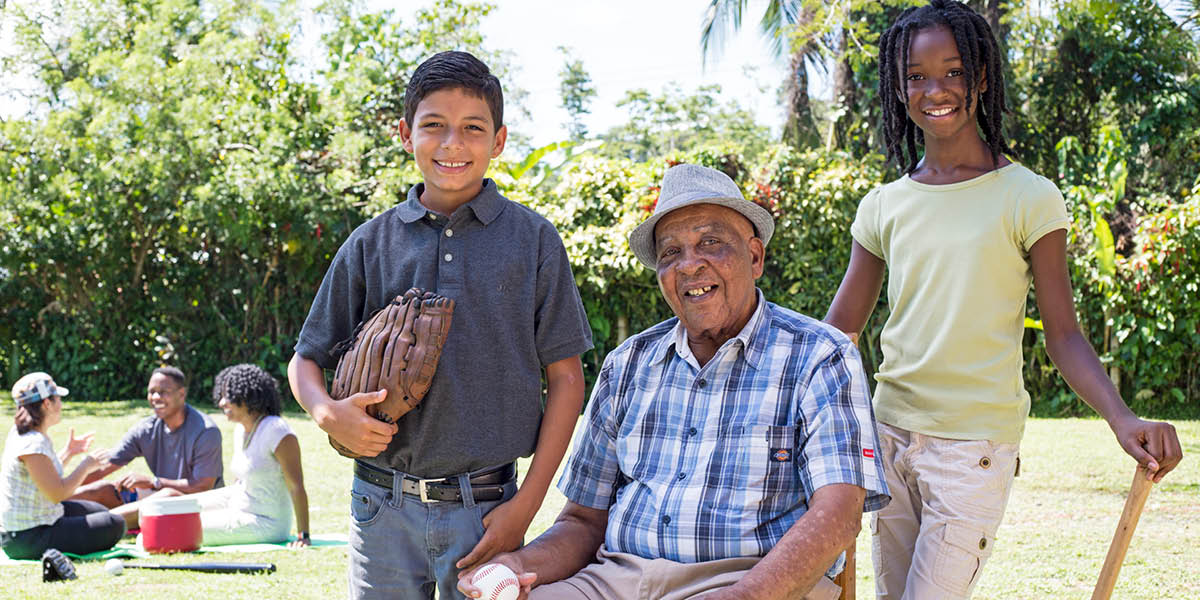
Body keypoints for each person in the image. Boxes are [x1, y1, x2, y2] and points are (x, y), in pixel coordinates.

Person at [821, 2, 1185, 598]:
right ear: (898, 86)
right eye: (916, 75)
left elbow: (1064, 334)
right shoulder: (883, 205)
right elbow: (839, 332)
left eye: (954, 71)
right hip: (888, 438)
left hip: (974, 451)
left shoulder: (1029, 198)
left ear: (982, 78)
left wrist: (1123, 418)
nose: (935, 89)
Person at [460, 164, 889, 600]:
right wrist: (515, 565)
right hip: (617, 580)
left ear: (755, 256)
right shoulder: (627, 364)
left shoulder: (819, 355)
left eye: (711, 242)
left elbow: (838, 514)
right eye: (670, 253)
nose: (689, 265)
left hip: (750, 580)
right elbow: (583, 523)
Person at [287, 50, 592, 600]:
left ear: (498, 141)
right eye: (434, 126)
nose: (452, 143)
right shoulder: (370, 243)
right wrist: (327, 411)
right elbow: (305, 358)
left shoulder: (534, 241)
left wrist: (526, 506)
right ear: (406, 134)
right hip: (378, 505)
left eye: (472, 128)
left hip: (488, 510)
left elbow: (568, 380)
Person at [122, 364, 310, 547]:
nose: (221, 403)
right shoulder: (241, 430)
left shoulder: (277, 430)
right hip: (237, 502)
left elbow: (296, 486)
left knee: (159, 533)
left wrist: (303, 535)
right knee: (159, 510)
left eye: (228, 396)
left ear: (248, 396)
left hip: (265, 522)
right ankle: (107, 522)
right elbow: (241, 481)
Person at [0, 372, 125, 559]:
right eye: (58, 398)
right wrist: (85, 466)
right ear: (47, 404)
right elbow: (57, 493)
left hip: (40, 521)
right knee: (115, 524)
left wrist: (69, 452)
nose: (61, 404)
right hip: (27, 538)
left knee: (101, 512)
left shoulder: (28, 435)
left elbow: (43, 476)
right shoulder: (32, 444)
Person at [72, 366, 224, 517]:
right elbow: (104, 468)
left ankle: (105, 523)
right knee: (106, 489)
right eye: (152, 392)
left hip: (201, 505)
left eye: (164, 392)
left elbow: (202, 486)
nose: (156, 397)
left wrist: (154, 482)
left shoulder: (205, 431)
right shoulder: (146, 429)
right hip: (159, 496)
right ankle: (52, 510)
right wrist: (63, 489)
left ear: (182, 394)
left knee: (167, 495)